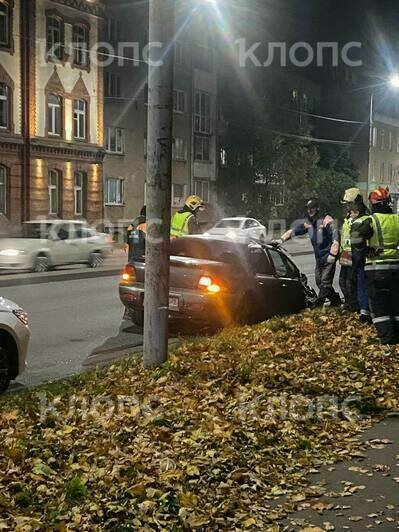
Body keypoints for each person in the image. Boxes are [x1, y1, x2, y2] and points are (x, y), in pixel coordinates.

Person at [272, 198, 341, 307]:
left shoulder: (326, 220)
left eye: (312, 208)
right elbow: (294, 231)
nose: (310, 211)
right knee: (319, 282)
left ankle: (319, 305)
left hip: (329, 256)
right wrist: (281, 239)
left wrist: (333, 253)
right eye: (308, 209)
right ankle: (335, 300)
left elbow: (335, 234)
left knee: (325, 282)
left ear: (317, 208)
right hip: (319, 258)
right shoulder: (308, 223)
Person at [351, 187, 399, 345]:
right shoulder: (397, 219)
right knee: (395, 303)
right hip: (396, 269)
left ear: (373, 204)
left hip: (376, 270)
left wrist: (365, 250)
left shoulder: (370, 220)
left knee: (379, 306)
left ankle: (387, 340)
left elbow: (356, 237)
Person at [348, 198, 371, 323]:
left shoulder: (357, 223)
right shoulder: (371, 219)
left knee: (361, 287)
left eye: (351, 212)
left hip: (362, 261)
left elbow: (357, 245)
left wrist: (355, 264)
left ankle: (364, 313)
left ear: (356, 212)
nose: (350, 215)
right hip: (375, 259)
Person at [339, 188, 361, 312]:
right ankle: (349, 305)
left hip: (354, 255)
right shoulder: (348, 218)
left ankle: (353, 308)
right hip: (346, 255)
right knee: (343, 282)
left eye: (347, 204)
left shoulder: (360, 218)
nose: (346, 207)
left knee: (350, 283)